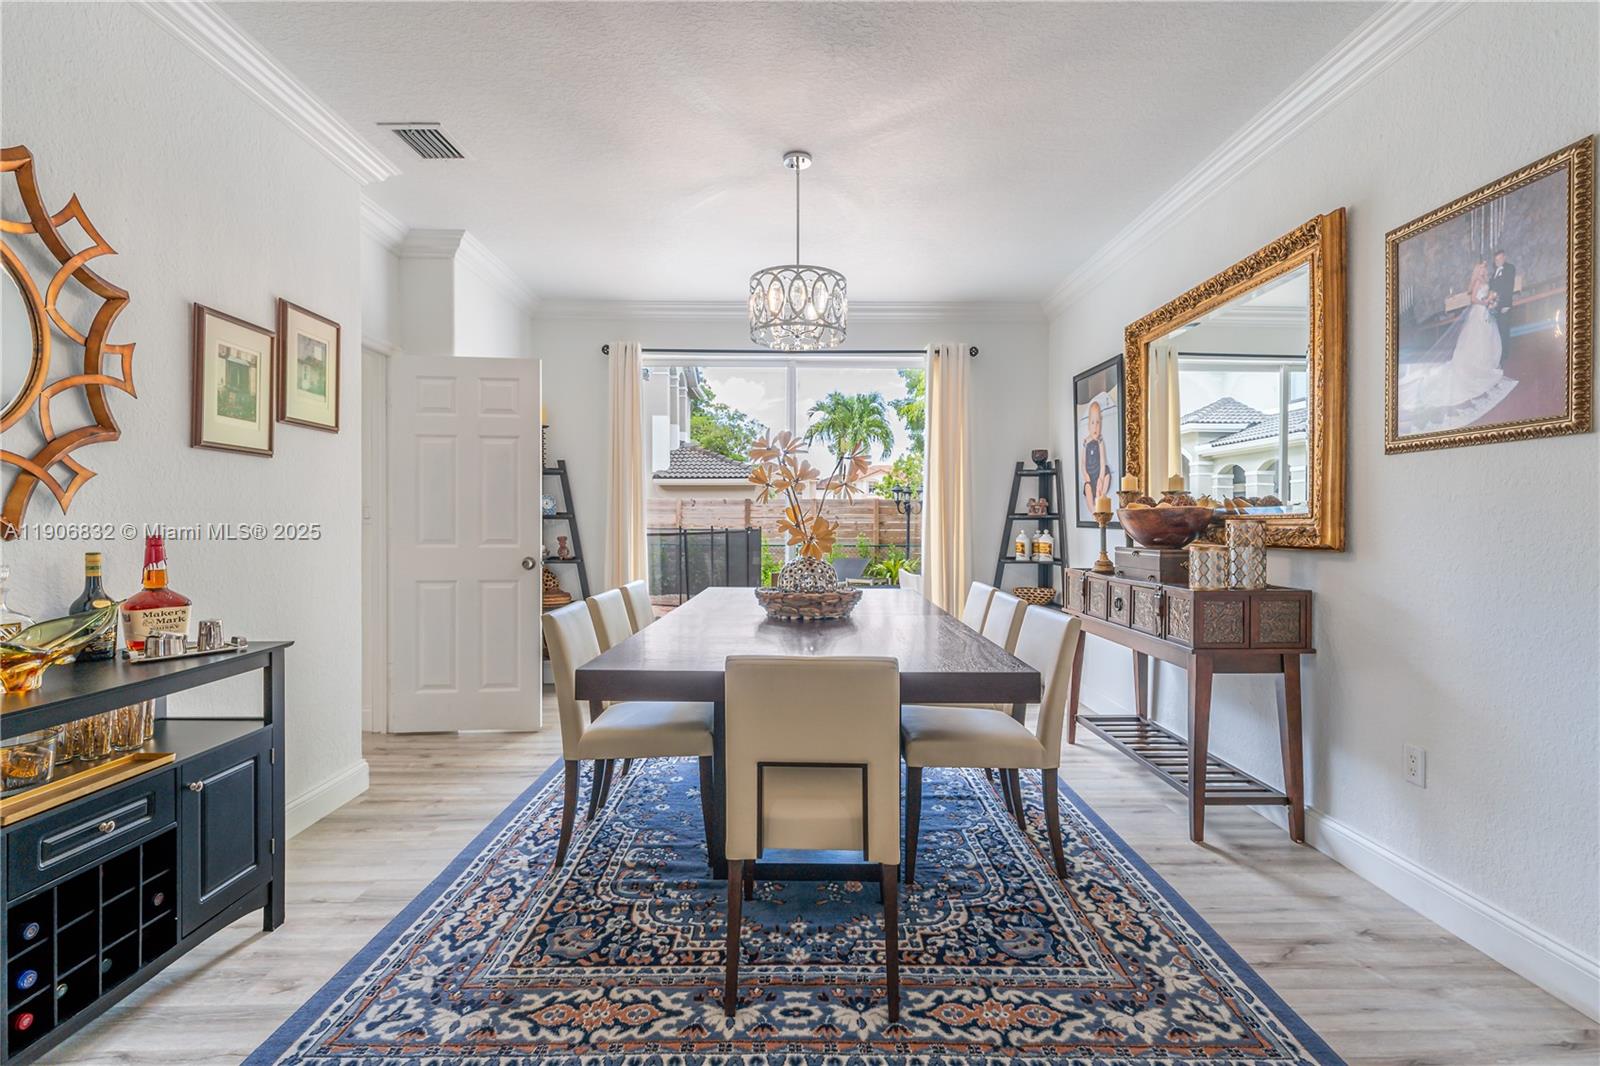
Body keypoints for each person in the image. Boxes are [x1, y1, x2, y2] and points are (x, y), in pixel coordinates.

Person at [1398, 259, 1516, 432]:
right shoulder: (1477, 282)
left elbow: (1485, 296)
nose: (1484, 272)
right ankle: (1476, 368)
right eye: (1481, 270)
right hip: (1479, 313)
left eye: (1484, 270)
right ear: (1477, 272)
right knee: (1476, 342)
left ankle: (1486, 365)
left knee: (1488, 341)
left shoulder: (1486, 282)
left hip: (1486, 314)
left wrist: (1491, 302)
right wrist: (1486, 302)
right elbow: (1474, 299)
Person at [1079, 398, 1113, 515]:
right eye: (1093, 423)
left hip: (1099, 473)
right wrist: (1086, 476)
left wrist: (1101, 478)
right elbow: (1082, 463)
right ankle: (1092, 509)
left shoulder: (1100, 441)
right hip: (1090, 476)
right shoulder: (1085, 443)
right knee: (1087, 487)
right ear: (1088, 425)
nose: (1095, 427)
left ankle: (1101, 497)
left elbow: (1103, 462)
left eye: (1098, 422)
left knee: (1108, 473)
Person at [1489, 248, 1516, 354]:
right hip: (1495, 306)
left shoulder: (1510, 268)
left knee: (1504, 330)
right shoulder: (1494, 272)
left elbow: (1509, 287)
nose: (1498, 261)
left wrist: (1507, 304)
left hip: (1504, 305)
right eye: (1496, 260)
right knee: (1498, 331)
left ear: (1504, 258)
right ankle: (1499, 353)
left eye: (1500, 259)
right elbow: (1493, 288)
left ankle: (1504, 354)